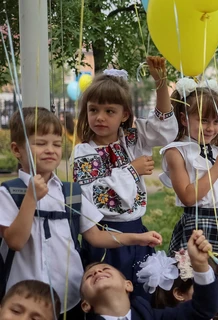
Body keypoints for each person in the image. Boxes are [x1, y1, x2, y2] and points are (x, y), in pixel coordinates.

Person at [0, 107, 161, 316]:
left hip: (70, 295)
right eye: (41, 143)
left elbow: (95, 235)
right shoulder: (9, 193)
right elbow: (15, 241)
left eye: (56, 144)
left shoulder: (70, 193)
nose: (50, 149)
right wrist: (31, 198)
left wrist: (136, 238)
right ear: (16, 149)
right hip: (25, 299)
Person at [72, 57, 177, 299]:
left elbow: (164, 130)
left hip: (137, 234)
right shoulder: (84, 152)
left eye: (110, 111)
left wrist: (161, 83)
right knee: (108, 298)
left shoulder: (132, 138)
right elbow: (98, 197)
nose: (100, 117)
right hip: (104, 239)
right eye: (94, 110)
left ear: (124, 114)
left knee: (139, 297)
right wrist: (132, 169)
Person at [159, 82, 218, 254]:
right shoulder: (176, 151)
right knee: (197, 276)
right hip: (198, 224)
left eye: (216, 121)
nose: (211, 128)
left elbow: (217, 190)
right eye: (203, 120)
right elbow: (188, 197)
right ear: (184, 119)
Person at [80, 230, 218, 320]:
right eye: (89, 276)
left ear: (128, 285)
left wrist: (200, 265)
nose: (98, 272)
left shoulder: (149, 316)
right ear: (85, 305)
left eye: (105, 269)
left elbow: (202, 310)